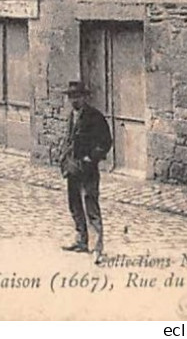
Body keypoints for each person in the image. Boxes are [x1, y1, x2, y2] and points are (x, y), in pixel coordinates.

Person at [59, 80, 112, 264]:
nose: (74, 100)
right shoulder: (71, 116)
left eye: (77, 97)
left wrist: (92, 157)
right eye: (71, 97)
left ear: (84, 97)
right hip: (73, 167)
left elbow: (106, 141)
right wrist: (64, 159)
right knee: (74, 204)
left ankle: (97, 247)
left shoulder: (94, 117)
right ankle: (81, 240)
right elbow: (69, 140)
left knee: (91, 205)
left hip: (88, 168)